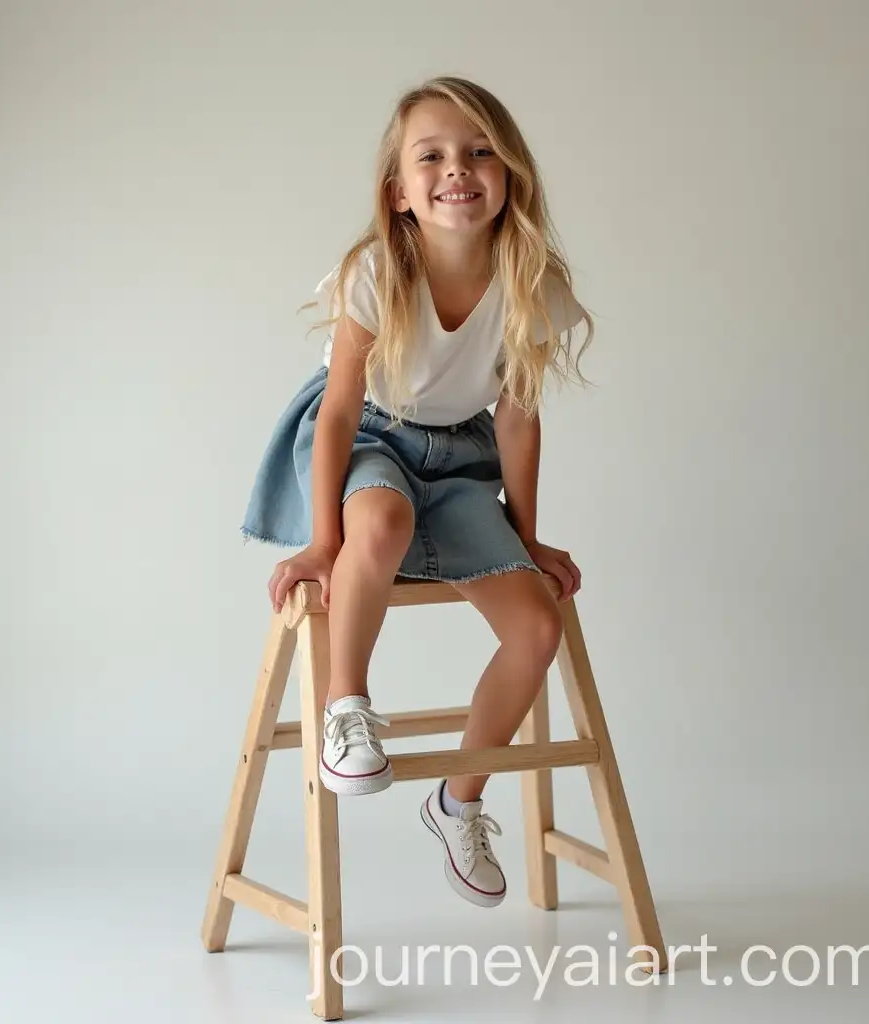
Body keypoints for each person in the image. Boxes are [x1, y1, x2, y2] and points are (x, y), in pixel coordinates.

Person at [240, 75, 593, 909]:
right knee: (384, 519)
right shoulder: (378, 269)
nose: (456, 169)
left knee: (538, 626)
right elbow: (332, 415)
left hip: (461, 456)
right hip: (367, 433)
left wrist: (528, 536)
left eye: (478, 151)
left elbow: (516, 423)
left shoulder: (530, 281)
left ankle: (459, 800)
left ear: (510, 174)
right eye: (430, 155)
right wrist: (325, 540)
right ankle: (347, 708)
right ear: (399, 191)